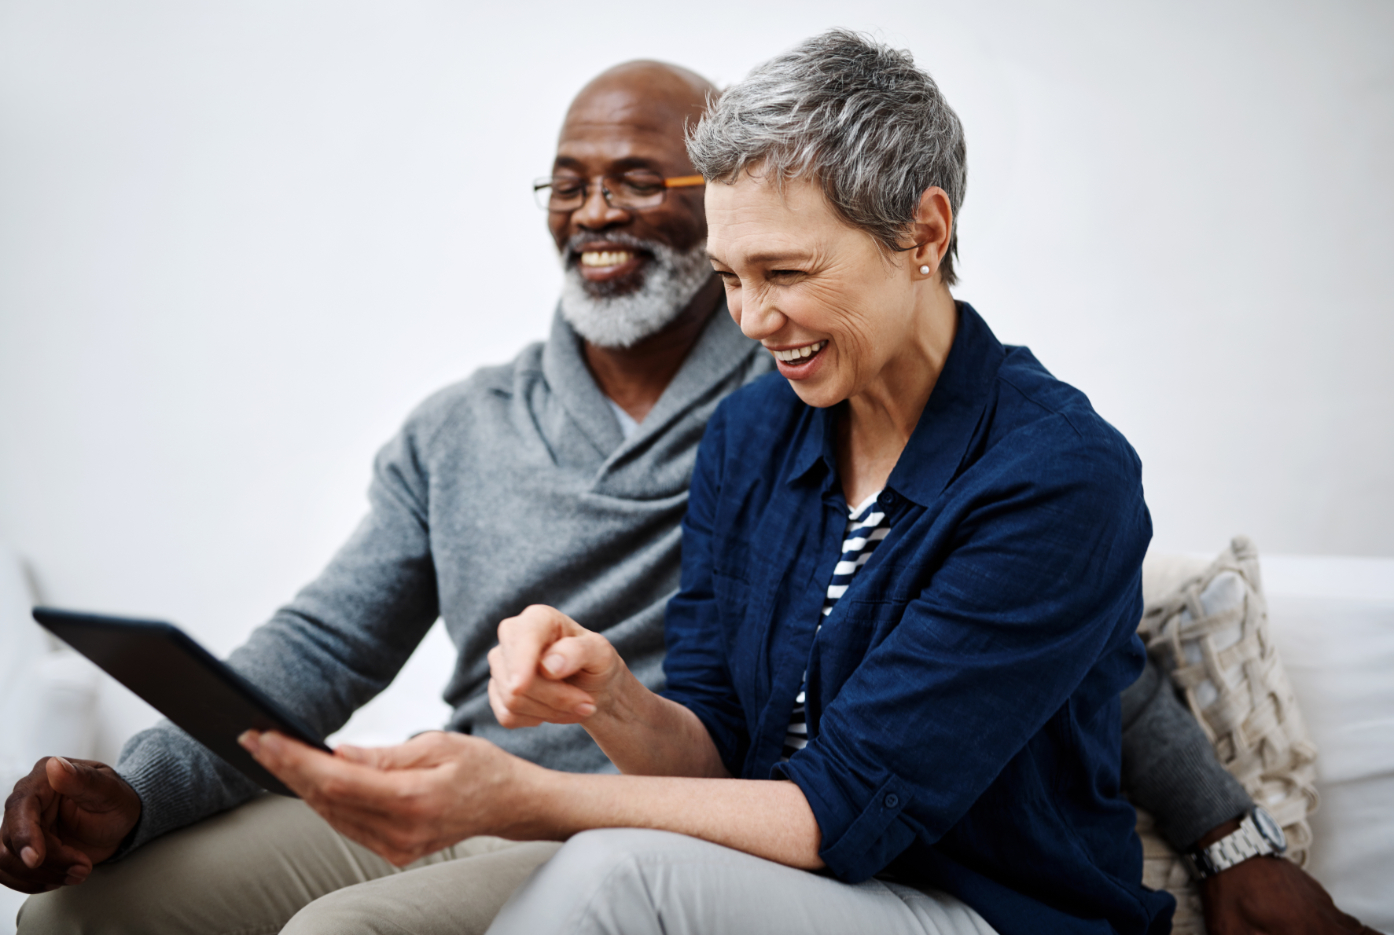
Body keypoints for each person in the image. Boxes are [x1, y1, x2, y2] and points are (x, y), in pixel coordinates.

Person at [1, 46, 1373, 935]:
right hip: (554, 813)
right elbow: (698, 730)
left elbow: (1050, 672)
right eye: (735, 278)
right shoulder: (745, 434)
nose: (754, 316)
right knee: (75, 918)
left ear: (922, 234)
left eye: (780, 270)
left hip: (846, 872)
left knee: (444, 915)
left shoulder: (1004, 453)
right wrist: (606, 697)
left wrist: (1231, 836)